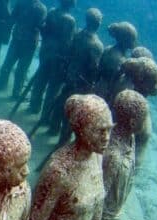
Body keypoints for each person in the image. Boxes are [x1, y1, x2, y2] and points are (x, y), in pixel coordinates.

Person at [49, 8, 104, 143]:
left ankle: (53, 128)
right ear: (98, 24)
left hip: (70, 76)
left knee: (60, 104)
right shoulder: (96, 45)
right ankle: (63, 140)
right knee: (71, 112)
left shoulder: (77, 34)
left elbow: (69, 52)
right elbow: (93, 68)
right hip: (81, 83)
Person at [101, 90, 148, 220]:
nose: (146, 122)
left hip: (112, 209)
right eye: (144, 118)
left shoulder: (131, 138)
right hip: (103, 214)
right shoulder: (113, 155)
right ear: (133, 123)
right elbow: (100, 194)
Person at [26, 0, 75, 115]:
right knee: (53, 87)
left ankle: (34, 106)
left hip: (46, 52)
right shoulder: (70, 20)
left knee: (40, 80)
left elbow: (45, 30)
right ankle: (45, 115)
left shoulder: (52, 12)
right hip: (57, 58)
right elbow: (67, 43)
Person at [0, 0, 46, 97]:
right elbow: (41, 27)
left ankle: (1, 84)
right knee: (22, 69)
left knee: (8, 64)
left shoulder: (21, 2)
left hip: (17, 38)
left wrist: (6, 34)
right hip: (30, 42)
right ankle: (16, 93)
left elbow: (11, 19)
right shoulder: (41, 8)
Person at [95, 22, 137, 101]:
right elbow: (114, 84)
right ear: (126, 40)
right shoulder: (120, 60)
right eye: (131, 40)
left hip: (99, 90)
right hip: (106, 97)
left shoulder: (107, 49)